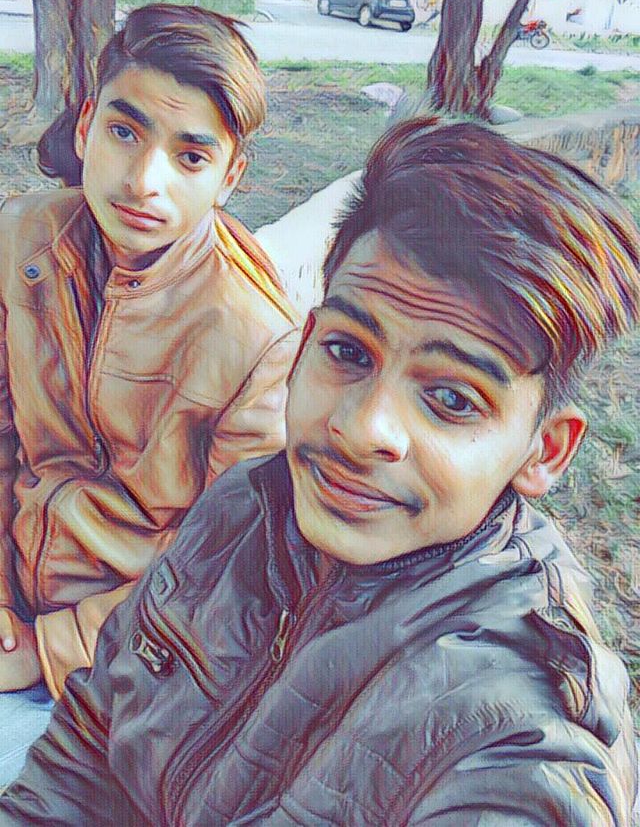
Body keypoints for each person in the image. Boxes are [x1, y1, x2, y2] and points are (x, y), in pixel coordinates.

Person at [1, 117, 638, 824]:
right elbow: (88, 740)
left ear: (544, 450)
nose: (361, 429)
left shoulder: (517, 735)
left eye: (453, 399)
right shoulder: (244, 506)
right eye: (349, 352)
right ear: (306, 341)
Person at [0, 3, 298, 785]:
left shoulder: (257, 339)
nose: (142, 181)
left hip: (129, 665)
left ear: (230, 177)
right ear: (86, 125)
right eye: (125, 132)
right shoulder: (24, 239)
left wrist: (44, 648)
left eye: (190, 156)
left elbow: (224, 572)